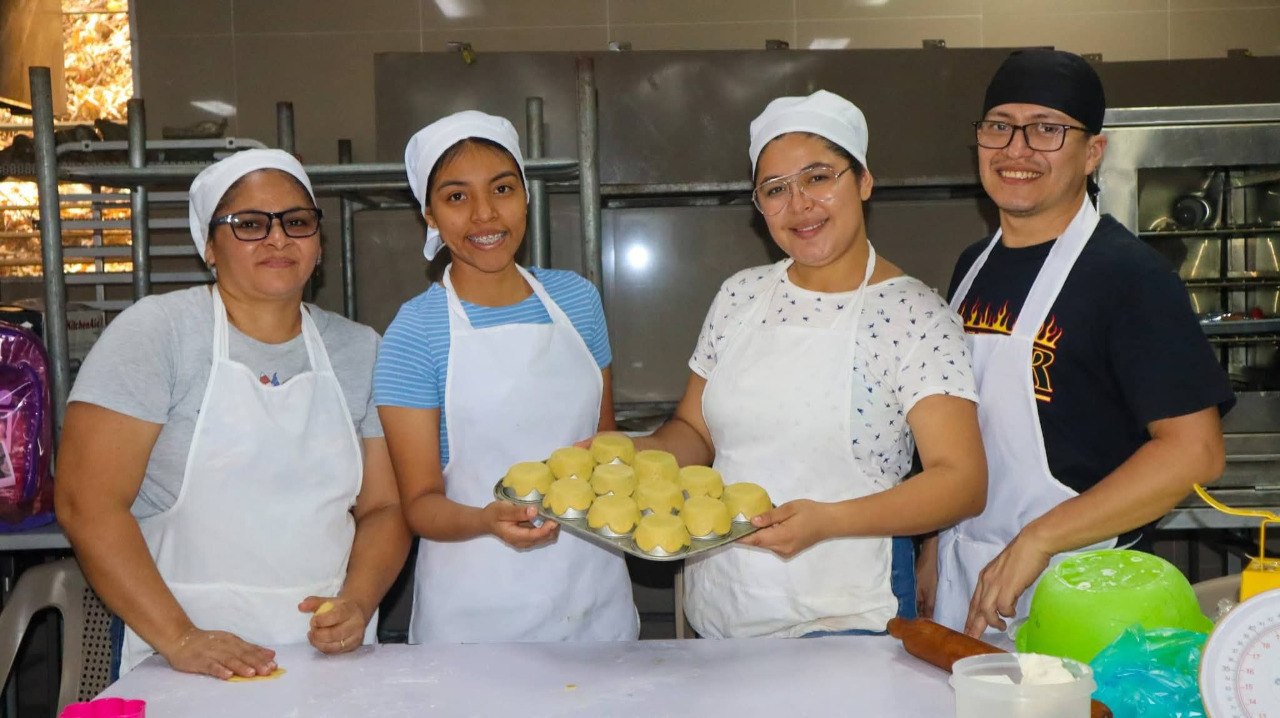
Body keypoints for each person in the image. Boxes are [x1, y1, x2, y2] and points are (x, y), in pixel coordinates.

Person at [625, 90, 987, 638]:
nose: (799, 205)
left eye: (819, 178)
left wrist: (828, 522)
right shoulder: (739, 297)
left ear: (863, 181)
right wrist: (628, 455)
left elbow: (961, 481)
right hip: (724, 609)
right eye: (776, 189)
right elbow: (693, 433)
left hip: (846, 618)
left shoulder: (914, 314)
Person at [54, 149, 411, 678]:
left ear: (319, 243)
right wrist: (181, 638)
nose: (277, 238)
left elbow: (384, 506)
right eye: (248, 224)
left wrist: (357, 602)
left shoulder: (360, 349)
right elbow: (87, 502)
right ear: (208, 246)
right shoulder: (158, 334)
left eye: (297, 222)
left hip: (329, 657)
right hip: (181, 657)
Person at [926, 49, 1235, 638]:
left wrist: (1039, 538)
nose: (1017, 149)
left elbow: (1196, 452)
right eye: (999, 126)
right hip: (966, 575)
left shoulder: (1128, 276)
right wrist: (937, 546)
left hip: (1081, 585)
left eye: (1047, 129)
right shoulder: (972, 267)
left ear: (1093, 152)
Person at [375, 111, 639, 643]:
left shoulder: (578, 301)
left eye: (502, 188)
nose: (484, 214)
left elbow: (605, 442)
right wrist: (485, 520)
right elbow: (421, 503)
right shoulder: (415, 331)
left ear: (524, 195)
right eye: (456, 197)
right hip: (476, 615)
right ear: (428, 214)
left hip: (593, 600)